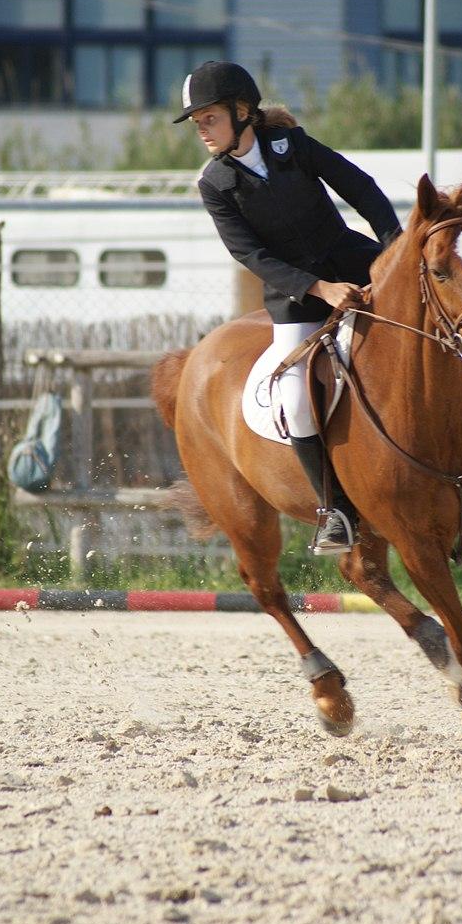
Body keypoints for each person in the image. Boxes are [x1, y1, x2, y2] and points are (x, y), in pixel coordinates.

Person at [175, 60, 402, 555]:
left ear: (241, 112)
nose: (203, 132)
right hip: (295, 295)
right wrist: (321, 289)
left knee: (433, 324)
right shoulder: (214, 183)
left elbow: (359, 187)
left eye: (209, 119)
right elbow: (250, 255)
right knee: (295, 397)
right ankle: (336, 508)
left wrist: (394, 248)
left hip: (353, 259)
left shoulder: (291, 146)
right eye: (198, 124)